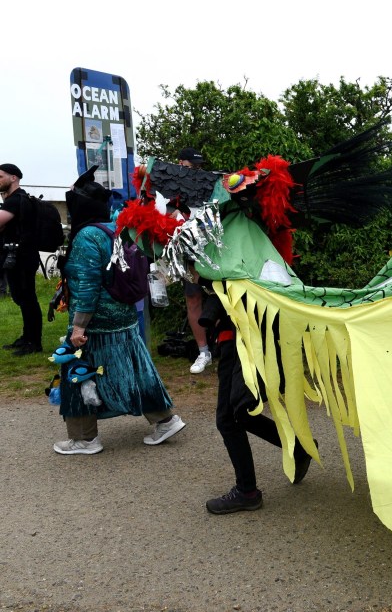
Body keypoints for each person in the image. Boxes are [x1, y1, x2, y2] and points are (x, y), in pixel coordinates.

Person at [53, 177, 186, 455]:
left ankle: (84, 439)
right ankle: (165, 420)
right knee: (138, 370)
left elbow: (87, 286)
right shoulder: (115, 227)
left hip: (96, 324)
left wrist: (78, 328)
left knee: (76, 375)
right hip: (124, 317)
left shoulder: (87, 236)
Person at [202, 292, 313, 513]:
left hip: (252, 336)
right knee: (238, 414)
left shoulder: (249, 259)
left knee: (233, 415)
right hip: (232, 338)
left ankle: (247, 492)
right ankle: (299, 449)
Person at [175, 147, 214, 374]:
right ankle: (203, 352)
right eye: (192, 166)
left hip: (213, 250)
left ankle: (225, 346)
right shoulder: (171, 184)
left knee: (223, 296)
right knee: (193, 298)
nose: (197, 170)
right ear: (180, 164)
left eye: (199, 166)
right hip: (188, 250)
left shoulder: (208, 183)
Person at [0, 163, 43, 355]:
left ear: (13, 178)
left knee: (27, 299)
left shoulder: (16, 200)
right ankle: (27, 338)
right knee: (22, 298)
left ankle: (33, 342)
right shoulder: (17, 199)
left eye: (1, 176)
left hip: (22, 258)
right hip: (18, 256)